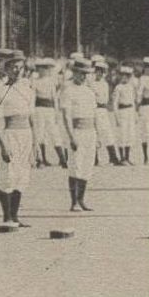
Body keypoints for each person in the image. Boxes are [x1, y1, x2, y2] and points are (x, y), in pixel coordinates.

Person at [0, 49, 37, 229]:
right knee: (7, 174)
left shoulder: (28, 90)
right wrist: (2, 145)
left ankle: (15, 216)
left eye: (20, 67)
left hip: (26, 135)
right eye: (13, 67)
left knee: (21, 175)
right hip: (9, 134)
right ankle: (6, 217)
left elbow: (32, 118)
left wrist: (35, 144)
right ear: (6, 69)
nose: (17, 71)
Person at [60, 58, 98, 212]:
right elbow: (66, 115)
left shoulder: (89, 91)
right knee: (75, 166)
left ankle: (81, 199)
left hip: (90, 131)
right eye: (80, 73)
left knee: (86, 167)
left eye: (86, 74)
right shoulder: (68, 90)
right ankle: (74, 201)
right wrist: (71, 136)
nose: (83, 77)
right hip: (77, 131)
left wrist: (97, 136)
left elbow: (94, 115)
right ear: (74, 73)